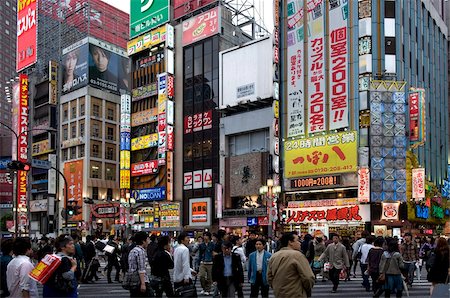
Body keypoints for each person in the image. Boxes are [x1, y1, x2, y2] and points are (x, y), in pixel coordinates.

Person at [267, 232, 315, 298]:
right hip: (296, 293)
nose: (300, 243)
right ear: (290, 242)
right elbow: (308, 277)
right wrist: (307, 289)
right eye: (298, 240)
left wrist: (276, 287)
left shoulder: (274, 256)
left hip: (279, 293)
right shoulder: (297, 255)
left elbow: (269, 277)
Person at [127, 231, 151, 297]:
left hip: (132, 281)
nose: (149, 241)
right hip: (140, 281)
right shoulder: (140, 251)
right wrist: (143, 284)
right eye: (147, 239)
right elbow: (141, 269)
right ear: (143, 241)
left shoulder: (133, 250)